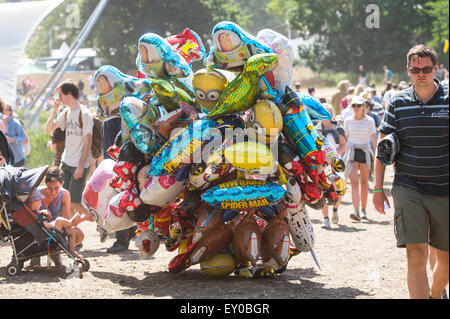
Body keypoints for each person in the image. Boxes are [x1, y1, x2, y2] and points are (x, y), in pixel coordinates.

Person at [373, 44, 449, 299]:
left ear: (435, 68)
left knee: (446, 263)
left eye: (426, 68)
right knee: (416, 253)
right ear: (408, 70)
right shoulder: (397, 102)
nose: (421, 74)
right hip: (408, 186)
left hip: (445, 188)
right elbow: (382, 147)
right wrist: (377, 188)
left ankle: (435, 294)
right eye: (415, 69)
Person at [44, 82, 94, 220]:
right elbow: (48, 128)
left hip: (79, 164)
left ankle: (96, 218)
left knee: (73, 202)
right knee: (64, 200)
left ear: (69, 94)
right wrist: (55, 110)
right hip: (66, 161)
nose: (59, 98)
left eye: (60, 94)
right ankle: (70, 236)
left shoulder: (84, 114)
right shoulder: (66, 112)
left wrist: (81, 166)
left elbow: (88, 141)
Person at [28, 189, 89, 261]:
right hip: (47, 235)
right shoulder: (35, 214)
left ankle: (72, 250)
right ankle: (71, 221)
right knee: (59, 220)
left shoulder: (39, 212)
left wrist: (45, 213)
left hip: (51, 232)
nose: (40, 202)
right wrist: (52, 222)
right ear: (32, 205)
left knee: (71, 229)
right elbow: (46, 225)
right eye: (38, 201)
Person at [342, 96, 377, 221]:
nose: (356, 108)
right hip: (352, 152)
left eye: (358, 105)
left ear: (363, 106)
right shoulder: (348, 120)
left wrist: (377, 154)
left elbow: (374, 139)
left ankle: (363, 210)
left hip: (364, 151)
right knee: (354, 183)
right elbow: (345, 138)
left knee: (364, 182)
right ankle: (356, 211)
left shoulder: (370, 121)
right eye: (354, 106)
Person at [316, 103, 346, 228]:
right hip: (324, 165)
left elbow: (343, 145)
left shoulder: (338, 128)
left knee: (340, 189)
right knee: (324, 188)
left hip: (337, 163)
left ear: (331, 114)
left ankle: (335, 210)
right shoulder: (315, 129)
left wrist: (333, 157)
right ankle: (326, 219)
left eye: (327, 112)